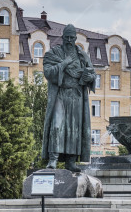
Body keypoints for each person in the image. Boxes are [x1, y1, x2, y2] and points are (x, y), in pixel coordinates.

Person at [41, 24, 96, 172]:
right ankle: (53, 159)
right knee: (57, 126)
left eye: (72, 38)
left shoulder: (82, 55)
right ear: (63, 37)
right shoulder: (54, 53)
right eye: (67, 37)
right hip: (61, 95)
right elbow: (48, 72)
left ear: (75, 39)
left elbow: (92, 73)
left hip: (76, 96)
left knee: (74, 129)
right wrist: (64, 63)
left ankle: (71, 162)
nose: (69, 40)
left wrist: (88, 77)